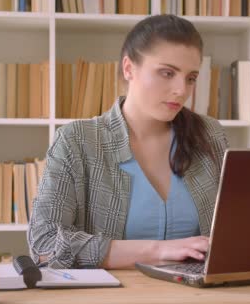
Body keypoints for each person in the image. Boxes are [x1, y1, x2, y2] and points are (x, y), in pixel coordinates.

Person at [27, 14, 229, 269]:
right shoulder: (77, 141)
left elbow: (236, 231)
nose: (181, 90)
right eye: (167, 73)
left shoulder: (209, 135)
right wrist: (158, 251)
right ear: (128, 68)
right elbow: (44, 245)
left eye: (191, 78)